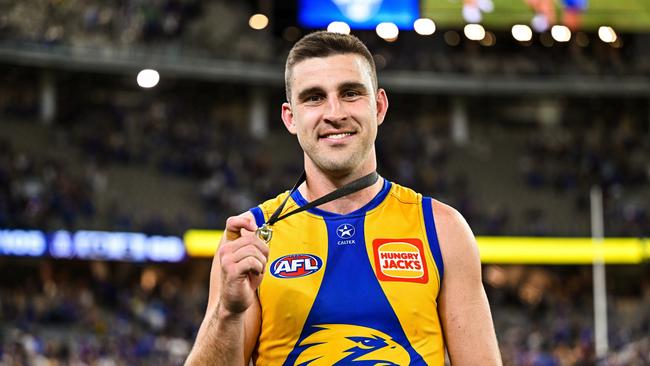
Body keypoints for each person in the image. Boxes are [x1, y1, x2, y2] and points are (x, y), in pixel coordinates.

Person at [185, 31, 502, 365]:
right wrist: (228, 313)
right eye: (313, 97)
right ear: (290, 118)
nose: (334, 112)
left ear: (379, 106)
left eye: (350, 93)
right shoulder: (251, 236)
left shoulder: (443, 229)